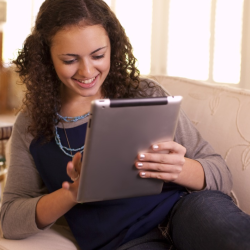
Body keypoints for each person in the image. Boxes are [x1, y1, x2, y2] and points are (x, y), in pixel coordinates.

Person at [1, 0, 250, 249]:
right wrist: (72, 194)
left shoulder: (145, 93)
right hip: (125, 241)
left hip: (187, 210)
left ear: (113, 46)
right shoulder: (31, 124)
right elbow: (9, 219)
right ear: (46, 57)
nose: (87, 71)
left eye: (98, 55)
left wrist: (181, 168)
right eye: (69, 60)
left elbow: (222, 174)